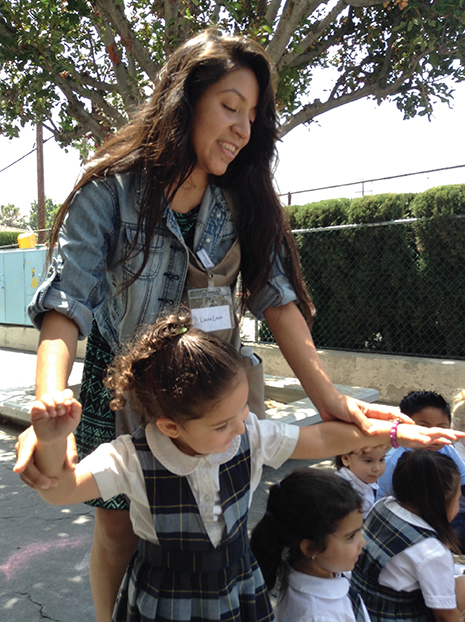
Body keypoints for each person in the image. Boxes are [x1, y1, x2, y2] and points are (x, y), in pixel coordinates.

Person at [14, 29, 411, 621]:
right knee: (122, 534)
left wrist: (330, 400)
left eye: (253, 115)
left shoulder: (246, 198)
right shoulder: (113, 189)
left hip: (212, 392)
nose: (243, 128)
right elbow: (67, 299)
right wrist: (51, 401)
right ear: (186, 99)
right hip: (121, 384)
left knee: (214, 530)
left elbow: (278, 300)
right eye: (230, 106)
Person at [27, 313, 463, 622]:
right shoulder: (130, 458)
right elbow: (61, 489)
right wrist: (50, 441)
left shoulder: (247, 436)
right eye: (222, 424)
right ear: (169, 425)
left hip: (237, 588)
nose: (241, 427)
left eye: (241, 412)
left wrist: (390, 433)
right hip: (166, 600)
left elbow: (321, 438)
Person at [351, 450, 465, 622]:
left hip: (362, 608)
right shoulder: (431, 551)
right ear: (439, 503)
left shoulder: (382, 505)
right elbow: (445, 617)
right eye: (457, 499)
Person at [250, 468, 371, 622]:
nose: (362, 542)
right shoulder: (318, 616)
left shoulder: (330, 567)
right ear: (310, 548)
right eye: (351, 537)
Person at [377, 391, 465, 499]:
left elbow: (463, 479)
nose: (433, 435)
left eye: (441, 428)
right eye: (423, 427)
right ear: (403, 425)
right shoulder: (392, 461)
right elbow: (383, 499)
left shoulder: (447, 450)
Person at [334, 447, 387, 519]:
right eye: (368, 461)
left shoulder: (367, 479)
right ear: (346, 459)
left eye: (381, 460)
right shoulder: (342, 493)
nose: (377, 468)